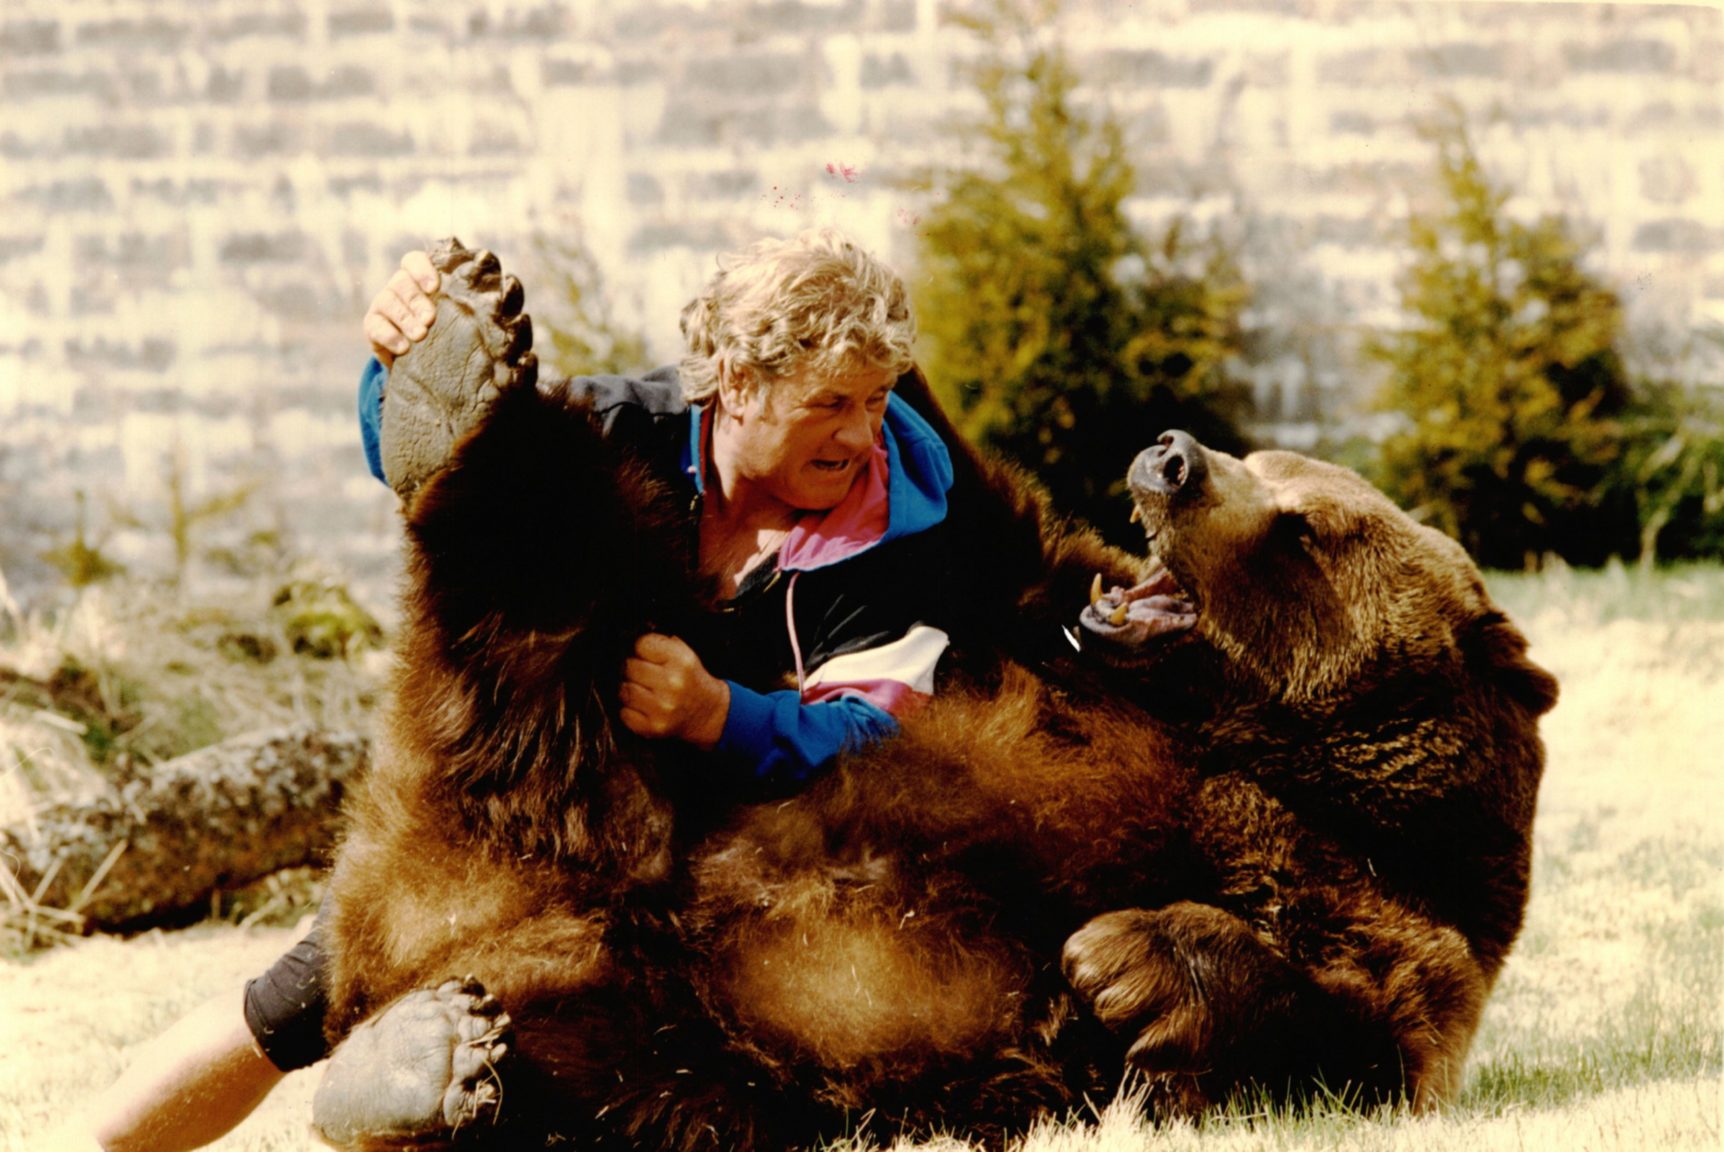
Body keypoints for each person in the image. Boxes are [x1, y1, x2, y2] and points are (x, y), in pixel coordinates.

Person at [77, 227, 959, 1151]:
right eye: (832, 403)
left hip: (738, 859)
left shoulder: (893, 526)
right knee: (311, 985)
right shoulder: (616, 429)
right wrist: (396, 374)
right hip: (537, 801)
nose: (863, 434)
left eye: (877, 400)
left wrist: (722, 716)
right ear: (737, 381)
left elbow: (883, 738)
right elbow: (439, 498)